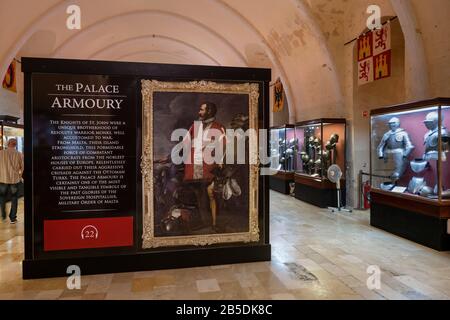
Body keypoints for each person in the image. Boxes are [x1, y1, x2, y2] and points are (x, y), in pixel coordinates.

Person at [183, 102, 225, 231]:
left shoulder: (218, 128)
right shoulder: (194, 127)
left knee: (211, 195)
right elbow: (185, 143)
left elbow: (222, 148)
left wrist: (219, 165)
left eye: (201, 110)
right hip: (194, 169)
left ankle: (215, 224)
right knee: (198, 196)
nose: (199, 112)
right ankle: (203, 222)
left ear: (209, 111)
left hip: (209, 169)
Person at [0, 138, 24, 224]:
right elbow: (22, 167)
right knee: (14, 198)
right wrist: (19, 176)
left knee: (2, 197)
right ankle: (13, 218)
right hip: (14, 180)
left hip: (3, 179)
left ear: (8, 143)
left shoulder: (1, 153)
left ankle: (3, 215)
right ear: (15, 144)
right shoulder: (19, 154)